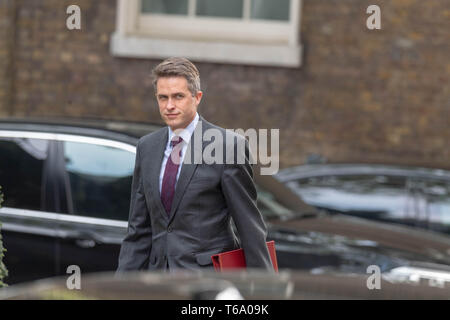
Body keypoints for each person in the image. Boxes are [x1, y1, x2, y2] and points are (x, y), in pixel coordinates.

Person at [117, 57, 272, 271]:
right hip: (157, 282)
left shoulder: (227, 147)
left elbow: (249, 227)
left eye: (178, 97)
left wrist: (263, 289)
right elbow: (138, 230)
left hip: (207, 282)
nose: (169, 105)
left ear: (197, 97)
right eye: (163, 98)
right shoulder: (147, 147)